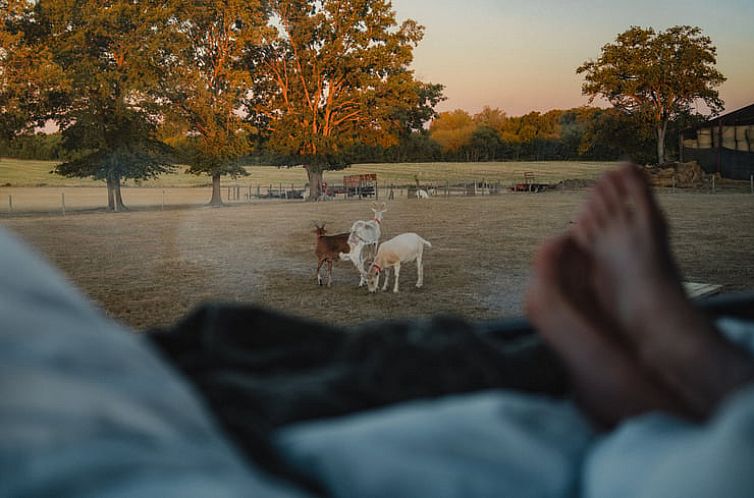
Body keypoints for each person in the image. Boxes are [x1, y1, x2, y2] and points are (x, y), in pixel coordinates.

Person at [2, 163, 753, 498]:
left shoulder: (369, 245)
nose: (344, 242)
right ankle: (677, 353)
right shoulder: (346, 245)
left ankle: (630, 360)